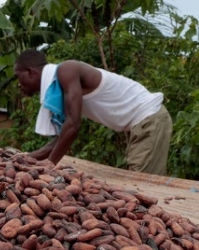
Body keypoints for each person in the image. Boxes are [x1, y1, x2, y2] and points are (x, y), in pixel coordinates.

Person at [13, 49, 172, 175]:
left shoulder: (67, 70)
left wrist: (48, 166)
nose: (19, 84)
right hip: (141, 124)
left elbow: (73, 126)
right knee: (140, 181)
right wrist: (24, 159)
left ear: (30, 72)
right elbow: (62, 137)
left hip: (149, 118)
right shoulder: (59, 88)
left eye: (18, 77)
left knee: (143, 184)